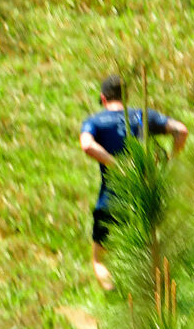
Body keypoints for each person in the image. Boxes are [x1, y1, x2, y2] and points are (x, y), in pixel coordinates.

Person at [79, 75, 188, 292]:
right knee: (151, 254)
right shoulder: (143, 115)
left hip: (111, 199)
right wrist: (171, 165)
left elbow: (87, 145)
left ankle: (115, 294)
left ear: (103, 98)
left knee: (99, 260)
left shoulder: (95, 122)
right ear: (126, 96)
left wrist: (116, 166)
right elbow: (181, 131)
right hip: (146, 200)